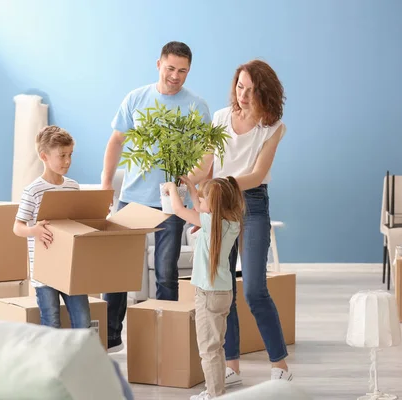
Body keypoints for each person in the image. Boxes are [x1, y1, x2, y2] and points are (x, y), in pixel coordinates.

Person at [101, 41, 211, 352]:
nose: (176, 75)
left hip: (172, 203)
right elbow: (116, 140)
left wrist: (196, 193)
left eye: (183, 71)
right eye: (171, 68)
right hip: (132, 198)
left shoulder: (196, 106)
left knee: (166, 272)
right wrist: (106, 183)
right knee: (118, 271)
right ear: (158, 64)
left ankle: (166, 338)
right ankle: (110, 339)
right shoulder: (136, 99)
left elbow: (207, 155)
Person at [189, 60, 292, 383]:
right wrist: (187, 182)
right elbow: (205, 166)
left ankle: (280, 368)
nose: (243, 95)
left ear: (265, 91)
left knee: (254, 290)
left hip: (252, 204)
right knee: (223, 288)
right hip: (219, 203)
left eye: (251, 89)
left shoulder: (273, 127)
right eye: (240, 87)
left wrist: (217, 189)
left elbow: (257, 174)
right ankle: (231, 366)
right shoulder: (220, 118)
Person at [163, 177, 243, 399]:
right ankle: (216, 392)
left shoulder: (209, 223)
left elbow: (179, 210)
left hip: (207, 295)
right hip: (224, 292)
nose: (200, 200)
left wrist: (171, 189)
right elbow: (201, 208)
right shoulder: (231, 221)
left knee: (208, 350)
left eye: (204, 197)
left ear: (213, 203)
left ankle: (213, 394)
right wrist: (191, 189)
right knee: (217, 347)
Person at [13, 125, 91, 330]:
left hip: (70, 265)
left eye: (70, 155)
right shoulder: (33, 190)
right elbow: (17, 227)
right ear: (44, 156)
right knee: (51, 321)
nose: (68, 161)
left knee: (82, 320)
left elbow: (76, 221)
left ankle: (82, 361)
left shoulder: (73, 186)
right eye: (62, 155)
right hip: (44, 269)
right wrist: (34, 231)